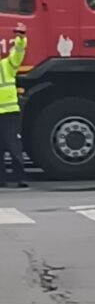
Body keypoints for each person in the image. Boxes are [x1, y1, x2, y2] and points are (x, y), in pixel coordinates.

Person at [0, 22, 26, 188]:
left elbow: (17, 53)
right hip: (7, 112)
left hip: (9, 112)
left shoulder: (6, 66)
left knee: (13, 146)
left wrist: (21, 38)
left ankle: (19, 178)